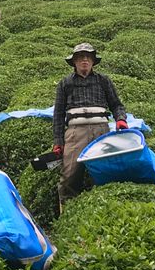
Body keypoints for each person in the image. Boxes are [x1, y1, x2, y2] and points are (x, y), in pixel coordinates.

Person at [52, 43, 127, 206]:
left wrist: (121, 119)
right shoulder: (65, 83)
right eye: (80, 57)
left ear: (93, 61)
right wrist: (58, 141)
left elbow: (116, 104)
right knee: (70, 174)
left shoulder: (103, 81)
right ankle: (67, 211)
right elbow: (58, 114)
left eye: (88, 57)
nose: (84, 60)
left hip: (101, 130)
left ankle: (104, 208)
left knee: (104, 170)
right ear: (74, 62)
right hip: (75, 132)